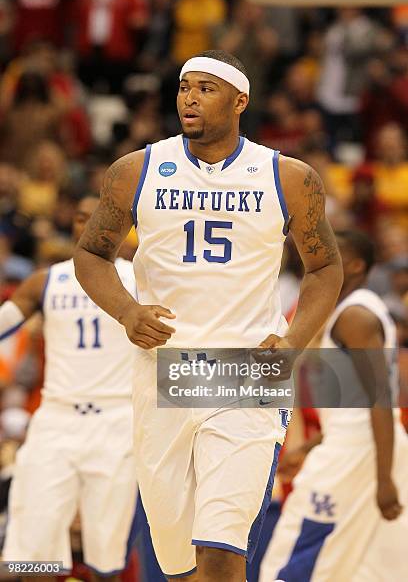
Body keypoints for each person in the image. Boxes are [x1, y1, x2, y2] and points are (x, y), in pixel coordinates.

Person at [73, 50, 343, 581]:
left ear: (240, 99)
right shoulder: (136, 169)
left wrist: (293, 342)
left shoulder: (287, 176)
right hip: (163, 371)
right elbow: (90, 254)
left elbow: (325, 268)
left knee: (222, 551)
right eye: (183, 87)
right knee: (177, 562)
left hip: (245, 370)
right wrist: (127, 311)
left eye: (205, 88)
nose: (189, 97)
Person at [1, 195, 138, 579]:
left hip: (117, 418)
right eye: (81, 217)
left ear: (121, 227)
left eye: (99, 217)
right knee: (33, 539)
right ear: (72, 225)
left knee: (106, 548)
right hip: (57, 417)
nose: (89, 224)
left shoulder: (142, 278)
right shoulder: (46, 280)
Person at [260, 229, 408, 582]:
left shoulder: (355, 316)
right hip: (360, 446)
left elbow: (381, 400)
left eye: (331, 250)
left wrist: (384, 478)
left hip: (359, 453)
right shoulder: (348, 309)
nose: (316, 254)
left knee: (289, 559)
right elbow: (354, 405)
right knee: (365, 569)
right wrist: (311, 446)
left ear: (355, 264)